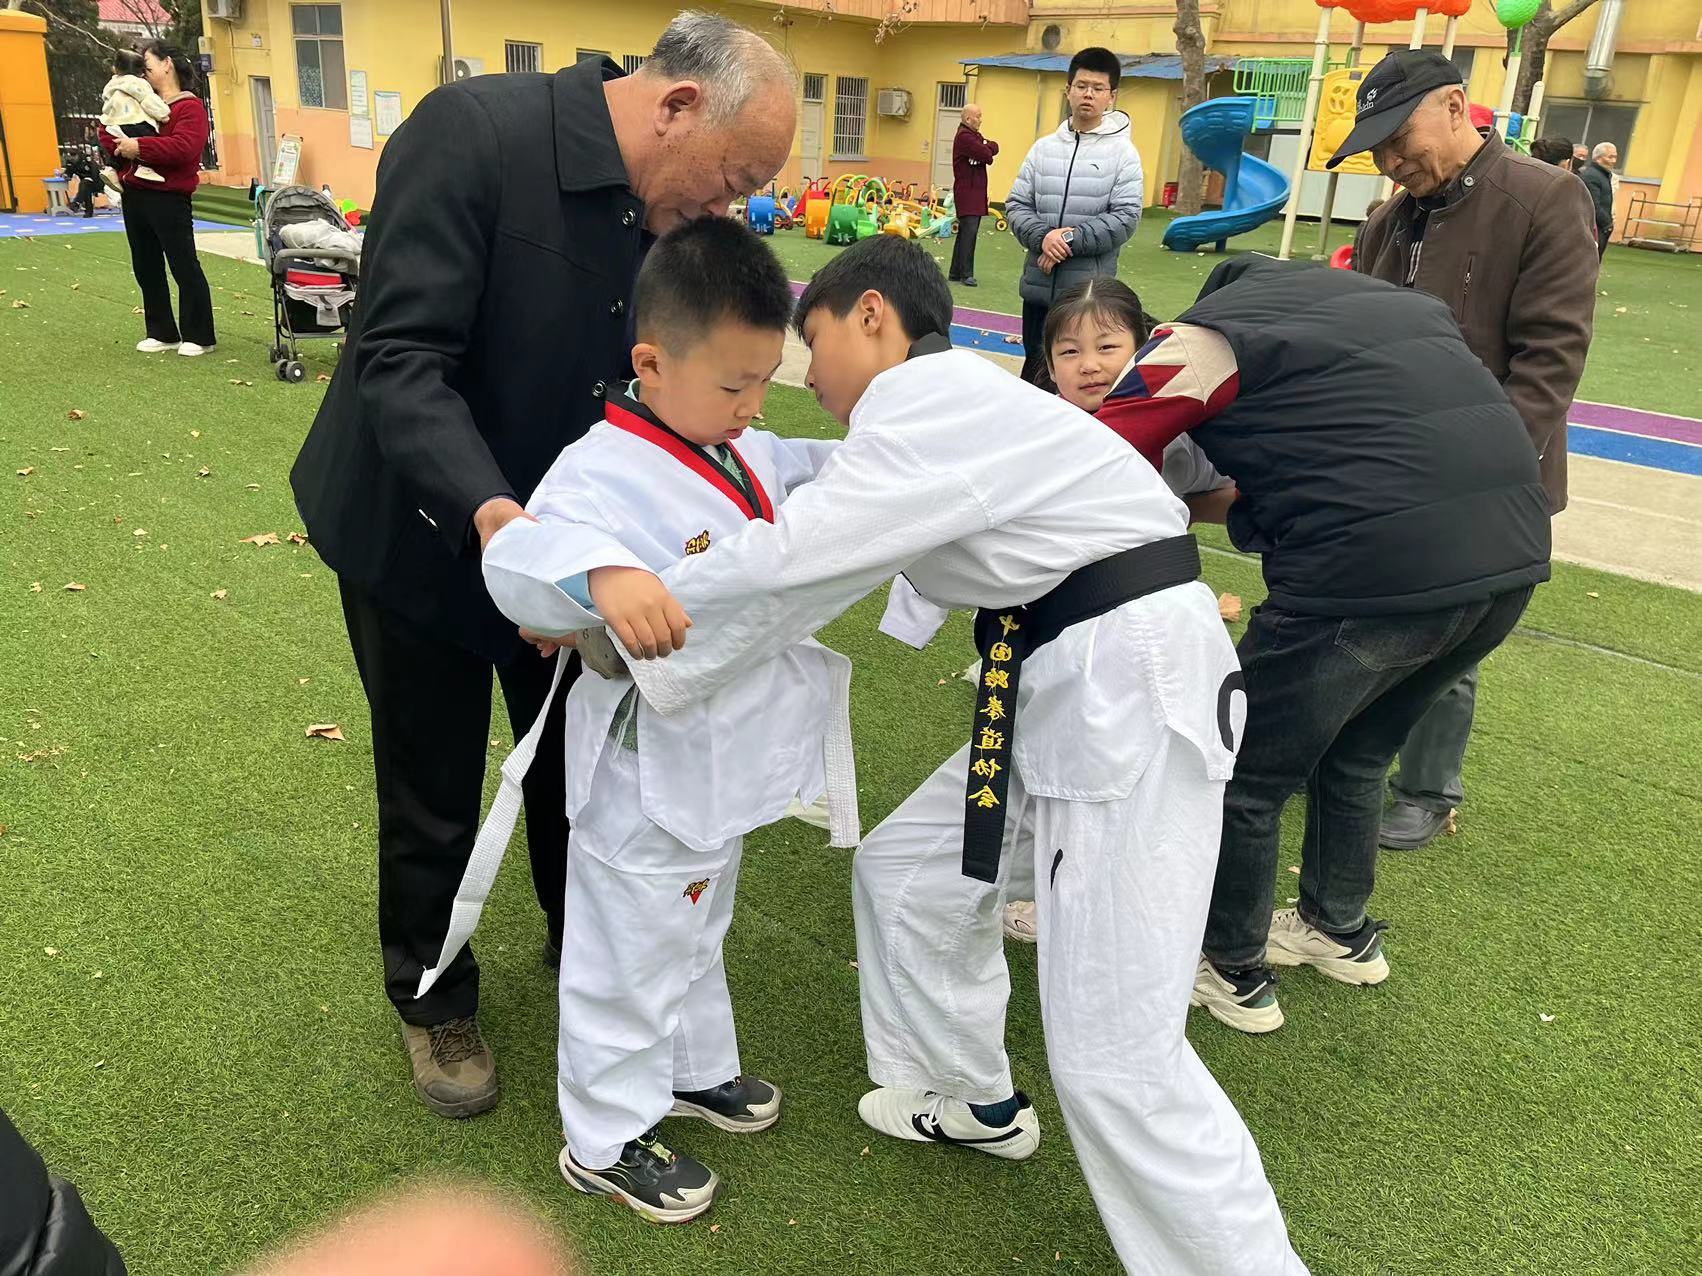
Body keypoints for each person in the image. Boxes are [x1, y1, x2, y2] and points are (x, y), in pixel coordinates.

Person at [583, 236, 1307, 1274]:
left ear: (872, 315)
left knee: (1117, 1057)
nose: (807, 376)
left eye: (814, 342)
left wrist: (622, 621)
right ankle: (972, 1097)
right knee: (910, 873)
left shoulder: (923, 403)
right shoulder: (954, 405)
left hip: (1122, 689)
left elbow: (797, 559)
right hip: (1069, 679)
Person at [289, 11, 796, 1122]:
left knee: (583, 766)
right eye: (734, 180)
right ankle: (433, 998)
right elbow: (399, 359)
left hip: (569, 546)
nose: (729, 210)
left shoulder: (665, 214)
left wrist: (586, 547)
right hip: (418, 528)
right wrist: (502, 528)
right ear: (677, 107)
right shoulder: (470, 135)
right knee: (430, 783)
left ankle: (593, 957)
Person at [1041, 257, 1550, 1035]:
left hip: (1366, 576)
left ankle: (1231, 967)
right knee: (1358, 751)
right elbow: (1327, 458)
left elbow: (1100, 459)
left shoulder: (1200, 339)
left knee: (1239, 765)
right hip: (1508, 565)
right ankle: (1338, 930)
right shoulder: (1393, 310)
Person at [474, 218, 851, 1224]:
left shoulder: (744, 445)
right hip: (643, 773)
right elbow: (517, 562)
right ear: (651, 363)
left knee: (695, 922)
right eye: (734, 385)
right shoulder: (598, 471)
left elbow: (818, 472)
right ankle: (604, 1136)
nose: (752, 405)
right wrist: (601, 573)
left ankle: (692, 1067)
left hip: (718, 760)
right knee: (628, 951)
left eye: (764, 381)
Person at [1337, 49, 1598, 852]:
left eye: (1399, 138)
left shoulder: (1544, 197)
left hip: (1489, 477)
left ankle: (1428, 789)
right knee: (1372, 618)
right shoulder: (1386, 220)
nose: (1390, 161)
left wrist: (1483, 474)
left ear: (1456, 107)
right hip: (1390, 465)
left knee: (1449, 636)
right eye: (1377, 148)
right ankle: (1351, 765)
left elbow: (1550, 359)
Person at [1005, 47, 1143, 386]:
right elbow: (1017, 204)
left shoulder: (1123, 153)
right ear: (1068, 90)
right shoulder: (1043, 149)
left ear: (1111, 96)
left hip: (1087, 295)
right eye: (1081, 86)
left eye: (1098, 88)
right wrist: (1044, 237)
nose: (1088, 94)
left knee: (1079, 378)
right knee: (1035, 370)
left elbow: (1125, 217)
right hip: (1039, 288)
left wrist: (1065, 240)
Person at [99, 41, 215, 357]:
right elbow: (108, 129)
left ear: (167, 64)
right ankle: (162, 332)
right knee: (145, 265)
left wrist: (140, 147)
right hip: (135, 194)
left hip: (170, 197)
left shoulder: (189, 107)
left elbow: (184, 148)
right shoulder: (135, 99)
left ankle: (199, 335)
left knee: (183, 264)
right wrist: (118, 142)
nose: (142, 71)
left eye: (147, 64)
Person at [101, 48, 170, 185]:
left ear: (115, 69)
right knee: (149, 140)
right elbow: (148, 100)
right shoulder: (138, 83)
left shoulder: (111, 84)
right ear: (141, 73)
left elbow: (106, 104)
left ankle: (111, 168)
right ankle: (145, 167)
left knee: (119, 148)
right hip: (134, 122)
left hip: (114, 124)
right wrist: (163, 114)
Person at [948, 103, 998, 287]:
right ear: (968, 119)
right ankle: (966, 274)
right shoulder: (965, 137)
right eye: (978, 116)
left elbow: (994, 147)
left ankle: (955, 272)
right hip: (968, 193)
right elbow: (987, 155)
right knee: (969, 233)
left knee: (964, 233)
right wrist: (985, 148)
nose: (980, 120)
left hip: (973, 192)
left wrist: (985, 147)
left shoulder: (974, 136)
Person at [1580, 140, 1618, 259]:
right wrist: (1607, 224)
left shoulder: (1603, 175)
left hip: (1600, 227)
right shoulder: (1592, 176)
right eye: (1610, 157)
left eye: (1615, 157)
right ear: (1598, 158)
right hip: (1595, 228)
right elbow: (1593, 205)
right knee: (1590, 260)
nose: (1613, 161)